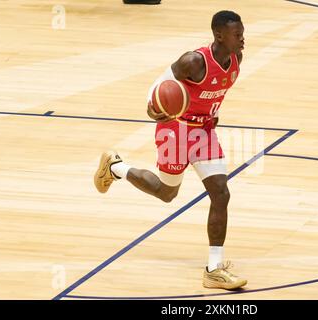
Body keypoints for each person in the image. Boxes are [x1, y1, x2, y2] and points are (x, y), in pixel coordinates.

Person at [94, 10, 246, 290]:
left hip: (203, 132)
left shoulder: (236, 59)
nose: (242, 39)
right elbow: (158, 87)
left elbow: (210, 94)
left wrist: (209, 114)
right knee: (167, 193)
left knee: (221, 193)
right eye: (237, 35)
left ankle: (214, 269)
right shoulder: (193, 61)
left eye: (242, 33)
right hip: (175, 130)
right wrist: (155, 108)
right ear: (219, 35)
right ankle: (116, 168)